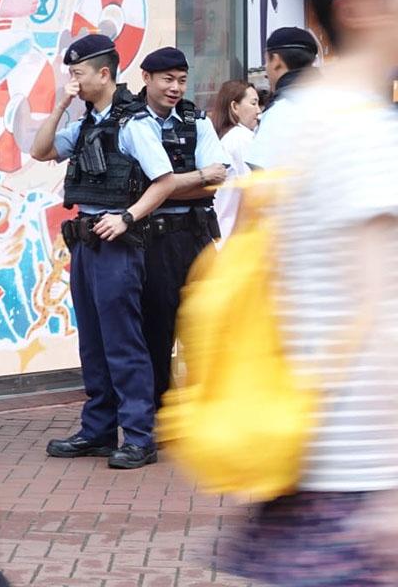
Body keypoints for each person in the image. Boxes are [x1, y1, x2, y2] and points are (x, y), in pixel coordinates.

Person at [220, 0, 398, 587]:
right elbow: (383, 316)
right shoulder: (366, 131)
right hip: (360, 475)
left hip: (295, 452)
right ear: (362, 7)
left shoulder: (292, 120)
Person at [30, 34, 178, 470]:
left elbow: (165, 180)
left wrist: (128, 217)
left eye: (77, 74)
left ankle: (138, 435)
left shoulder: (134, 124)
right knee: (94, 344)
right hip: (87, 244)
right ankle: (97, 430)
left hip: (117, 243)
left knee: (123, 343)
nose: (72, 81)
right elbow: (40, 151)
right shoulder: (88, 122)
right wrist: (60, 104)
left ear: (104, 73)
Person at [133, 47, 229, 409]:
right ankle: (159, 411)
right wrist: (189, 179)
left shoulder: (196, 120)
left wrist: (169, 184)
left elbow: (215, 179)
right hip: (154, 239)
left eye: (182, 80)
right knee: (157, 328)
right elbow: (146, 187)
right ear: (147, 78)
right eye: (168, 79)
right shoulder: (134, 123)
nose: (176, 88)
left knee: (206, 324)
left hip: (198, 234)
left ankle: (206, 408)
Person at [245, 26, 319, 170]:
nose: (266, 69)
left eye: (266, 61)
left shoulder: (280, 111)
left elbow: (261, 177)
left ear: (276, 60)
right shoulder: (339, 100)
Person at [209, 80, 261, 239]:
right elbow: (255, 191)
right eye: (253, 103)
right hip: (238, 237)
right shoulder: (241, 139)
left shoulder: (227, 138)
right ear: (234, 107)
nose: (258, 111)